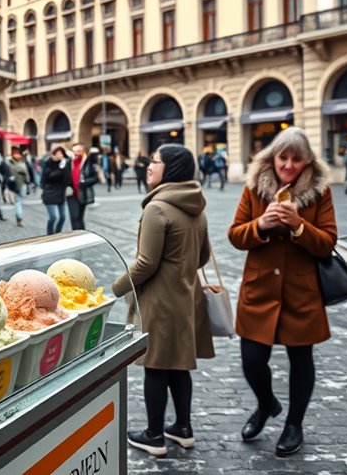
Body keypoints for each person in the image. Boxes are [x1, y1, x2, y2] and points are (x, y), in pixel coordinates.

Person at [227, 127, 337, 457]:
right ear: (272, 158)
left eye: (296, 159)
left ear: (307, 162)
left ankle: (294, 424)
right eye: (282, 157)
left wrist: (299, 226)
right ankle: (265, 404)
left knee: (301, 359)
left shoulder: (320, 193)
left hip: (300, 292)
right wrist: (260, 226)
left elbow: (327, 244)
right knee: (252, 361)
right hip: (259, 290)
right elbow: (235, 235)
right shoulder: (254, 189)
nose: (288, 165)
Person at [114, 144, 213, 458]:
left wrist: (116, 287)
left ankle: (154, 435)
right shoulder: (195, 204)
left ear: (171, 169)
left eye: (154, 162)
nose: (148, 166)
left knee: (155, 366)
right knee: (178, 365)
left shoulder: (157, 208)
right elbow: (204, 256)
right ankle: (183, 428)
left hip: (159, 300)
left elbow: (145, 263)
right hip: (185, 295)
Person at [66, 144, 100, 230]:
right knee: (74, 217)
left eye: (78, 151)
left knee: (79, 217)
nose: (76, 153)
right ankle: (76, 236)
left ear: (83, 151)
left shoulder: (89, 163)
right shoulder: (69, 163)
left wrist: (84, 182)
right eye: (74, 151)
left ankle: (82, 236)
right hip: (71, 194)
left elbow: (95, 178)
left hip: (83, 193)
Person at [41, 145, 70, 234]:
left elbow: (68, 178)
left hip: (61, 193)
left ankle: (58, 233)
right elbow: (50, 176)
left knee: (63, 217)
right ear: (53, 154)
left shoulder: (65, 164)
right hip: (50, 193)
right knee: (53, 217)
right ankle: (50, 234)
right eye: (57, 153)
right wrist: (61, 169)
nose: (59, 155)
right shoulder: (49, 163)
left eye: (61, 153)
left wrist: (65, 166)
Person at [8, 147, 30, 227]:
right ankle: (19, 219)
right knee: (19, 202)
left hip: (17, 185)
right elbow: (27, 175)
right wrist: (27, 182)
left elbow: (9, 176)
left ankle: (19, 219)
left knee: (18, 203)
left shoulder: (10, 164)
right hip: (22, 185)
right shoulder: (22, 163)